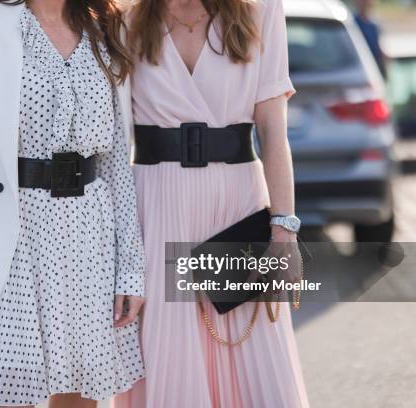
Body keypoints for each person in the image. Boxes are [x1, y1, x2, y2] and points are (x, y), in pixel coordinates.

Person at [0, 0, 146, 407]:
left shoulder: (106, 28)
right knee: (5, 389)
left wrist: (130, 268)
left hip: (88, 236)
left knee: (80, 390)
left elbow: (115, 165)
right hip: (8, 236)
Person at [113, 0, 309, 407]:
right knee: (168, 350)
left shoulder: (261, 9)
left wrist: (283, 230)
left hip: (238, 206)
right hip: (156, 207)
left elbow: (273, 131)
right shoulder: (123, 17)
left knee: (253, 352)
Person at [353, 0, 387, 79]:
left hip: (376, 67)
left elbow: (379, 47)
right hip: (360, 68)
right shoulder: (352, 22)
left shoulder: (375, 25)